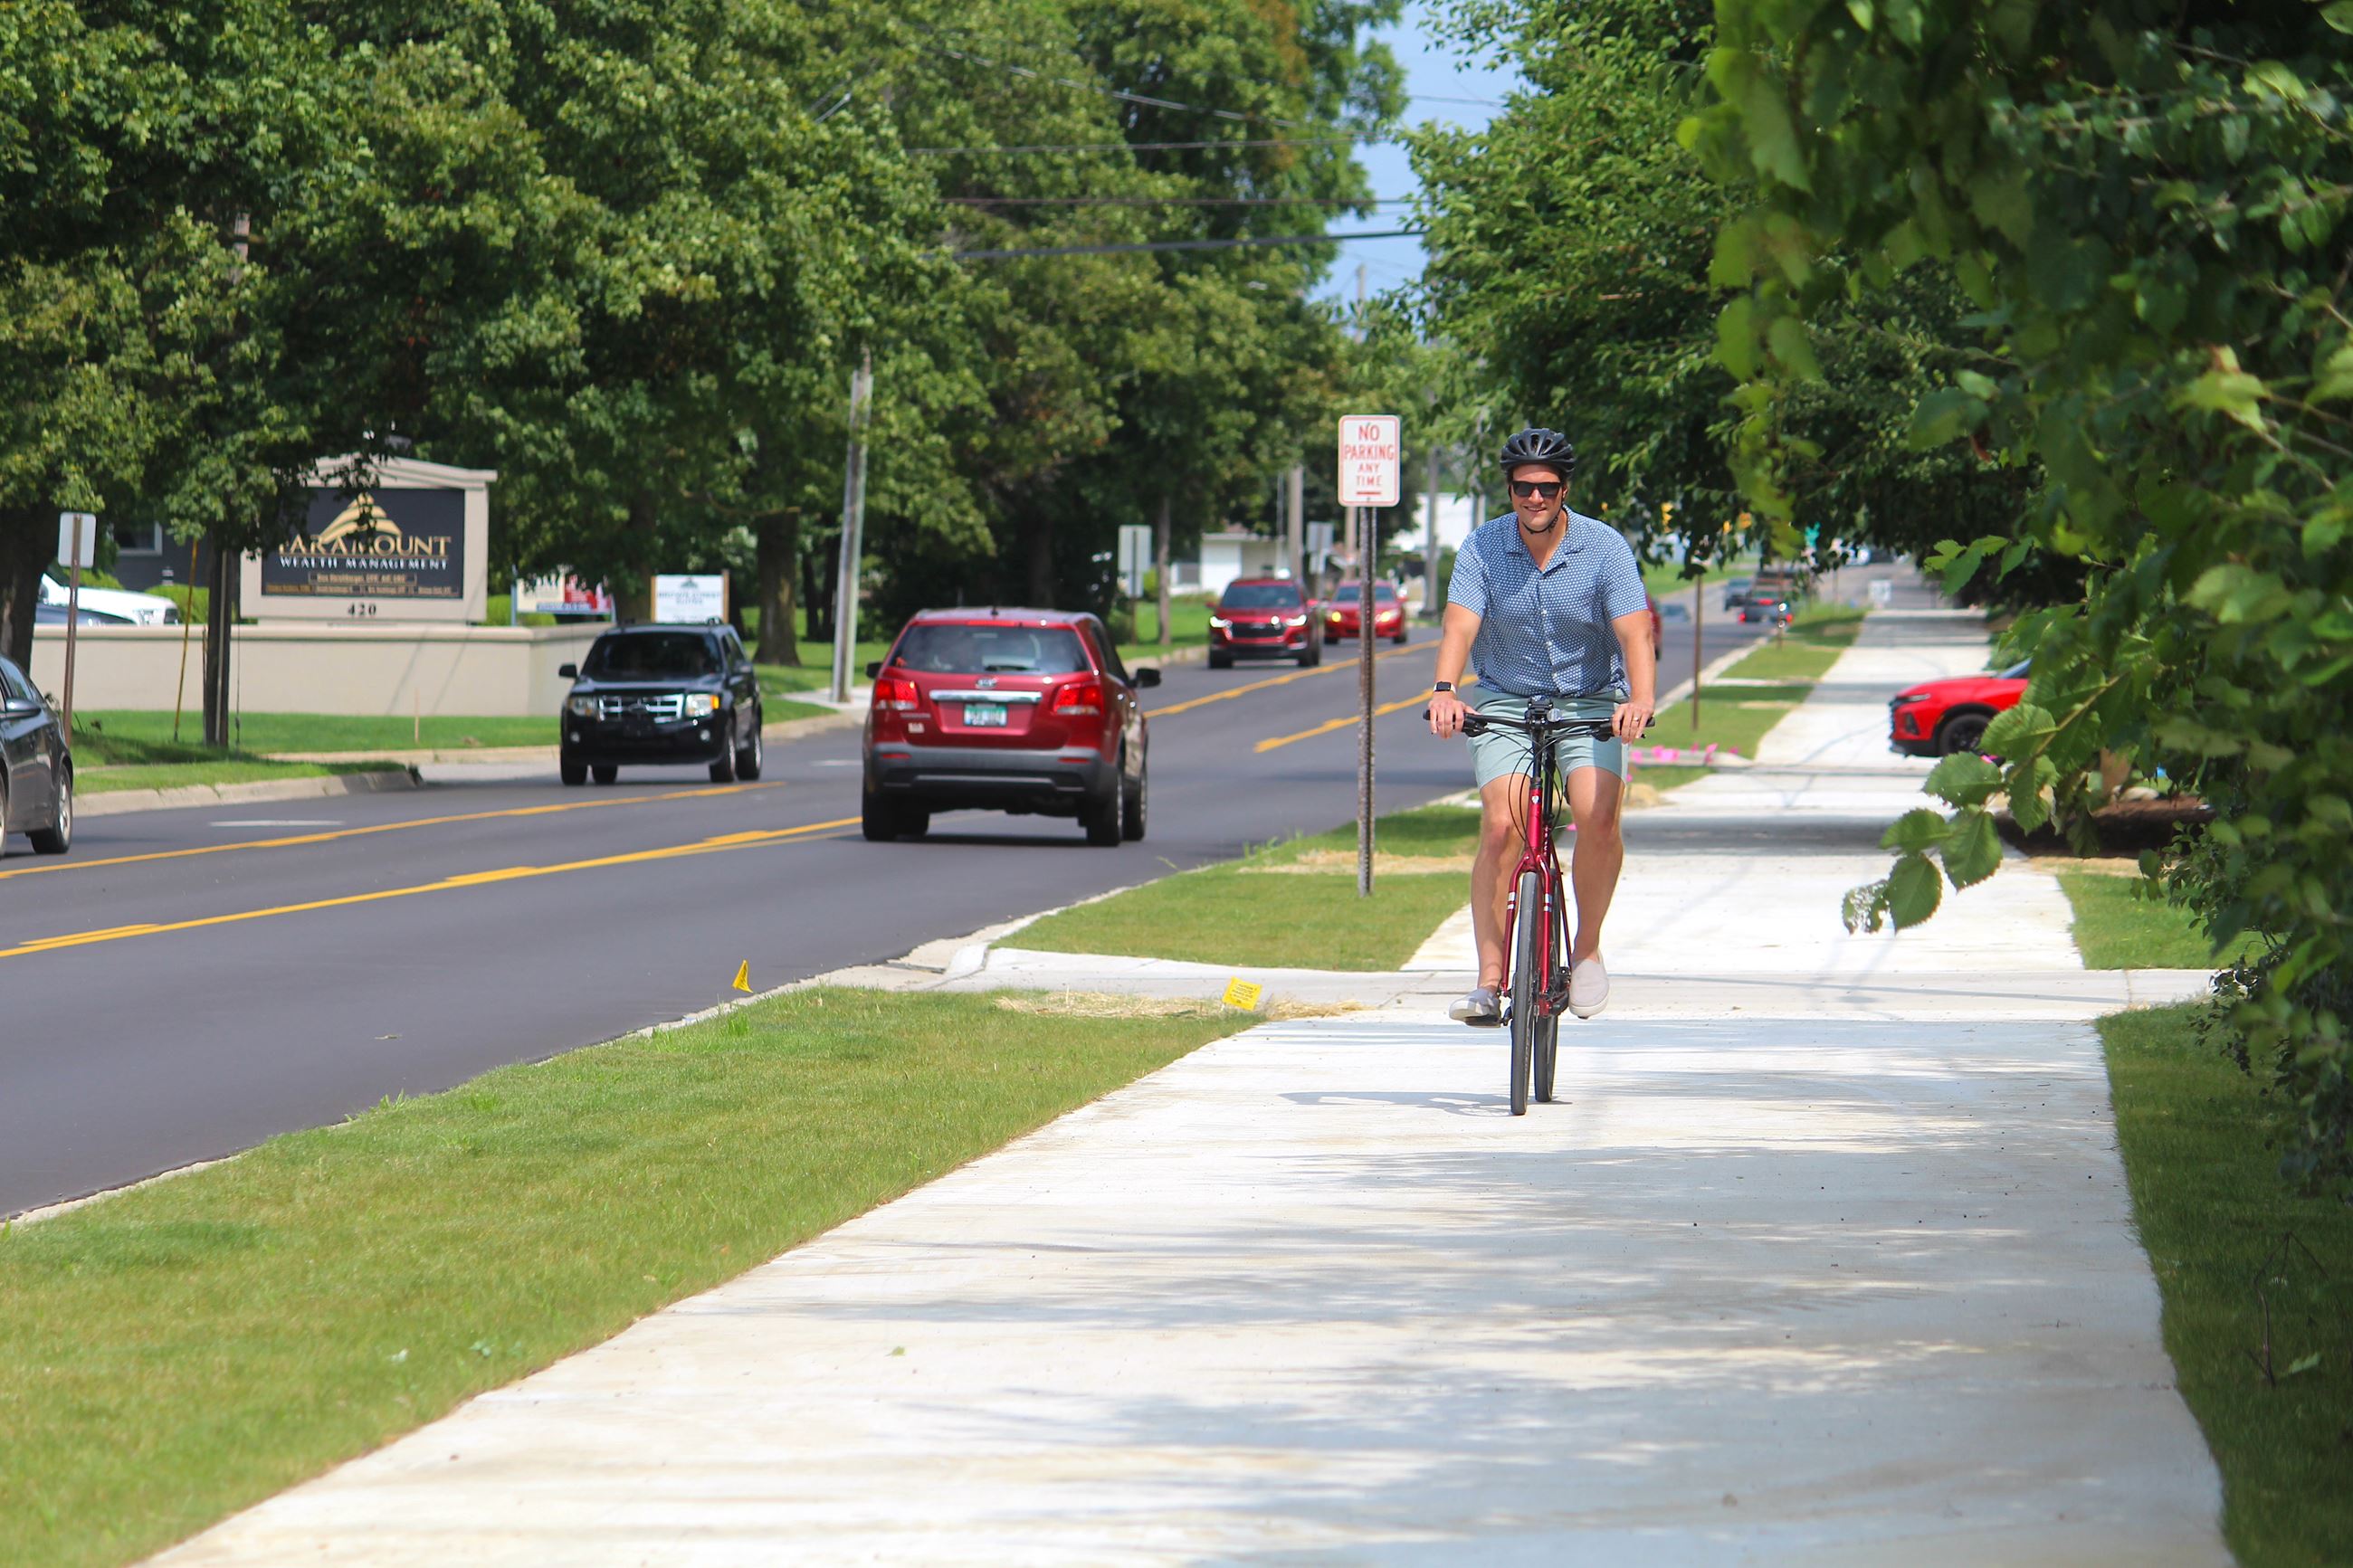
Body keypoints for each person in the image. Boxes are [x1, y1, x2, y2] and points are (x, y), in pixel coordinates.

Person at [1425, 428, 1656, 1024]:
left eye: (1546, 488)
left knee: (1597, 815)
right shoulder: (1481, 548)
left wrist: (1641, 700)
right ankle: (1488, 977)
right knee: (1502, 827)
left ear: (1564, 490)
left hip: (1588, 706)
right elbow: (1459, 627)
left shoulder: (1604, 548)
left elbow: (1635, 633)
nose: (1535, 498)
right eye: (1524, 487)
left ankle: (1585, 951)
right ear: (1509, 489)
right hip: (1506, 703)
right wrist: (1446, 690)